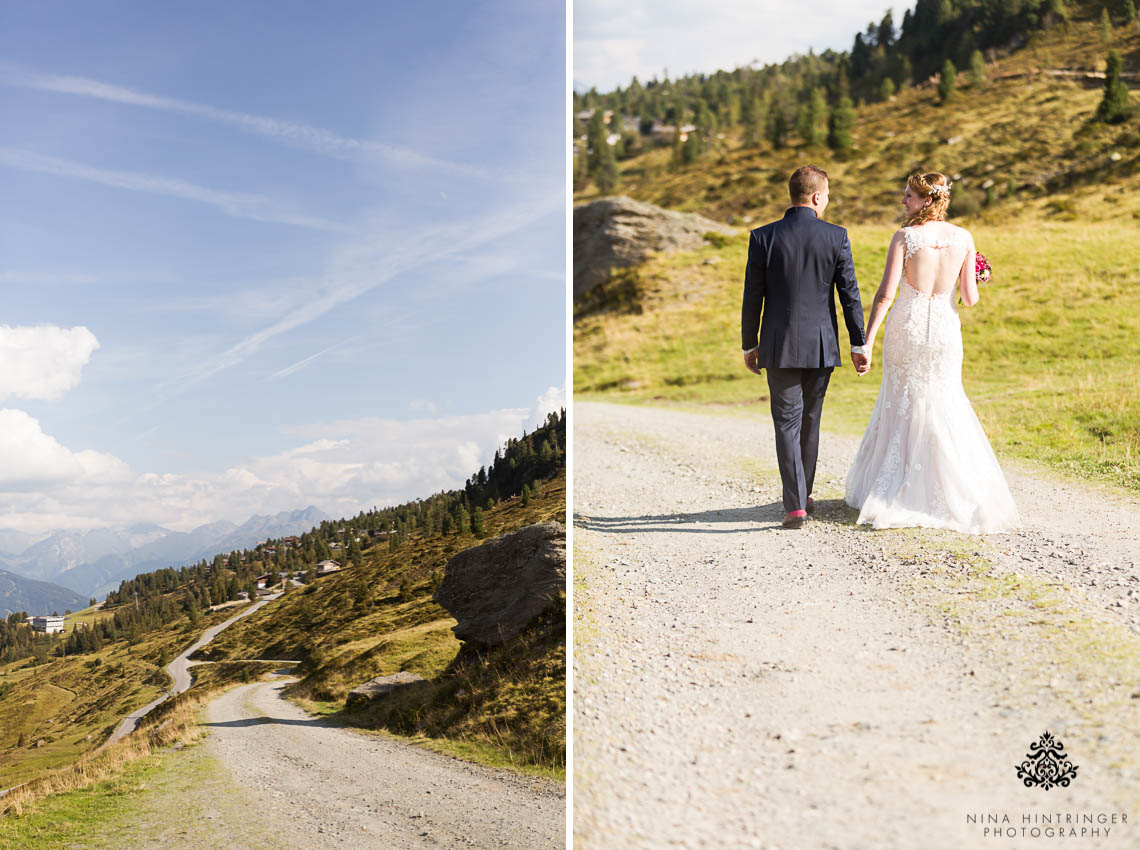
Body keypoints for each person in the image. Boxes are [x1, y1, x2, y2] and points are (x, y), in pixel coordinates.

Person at [844, 172, 1020, 533]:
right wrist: (975, 274)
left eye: (908, 196)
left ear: (926, 200)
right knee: (944, 400)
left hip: (906, 329)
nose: (903, 201)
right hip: (943, 330)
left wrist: (867, 341)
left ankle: (900, 487)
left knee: (902, 401)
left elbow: (884, 295)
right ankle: (949, 489)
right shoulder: (964, 237)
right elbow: (969, 299)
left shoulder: (905, 237)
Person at [742, 165, 868, 529]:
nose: (827, 202)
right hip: (821, 345)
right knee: (810, 421)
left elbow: (753, 296)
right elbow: (849, 295)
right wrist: (858, 342)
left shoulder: (763, 237)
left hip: (778, 345)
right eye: (826, 196)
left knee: (786, 422)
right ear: (816, 197)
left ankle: (796, 505)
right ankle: (803, 494)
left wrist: (750, 343)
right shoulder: (836, 236)